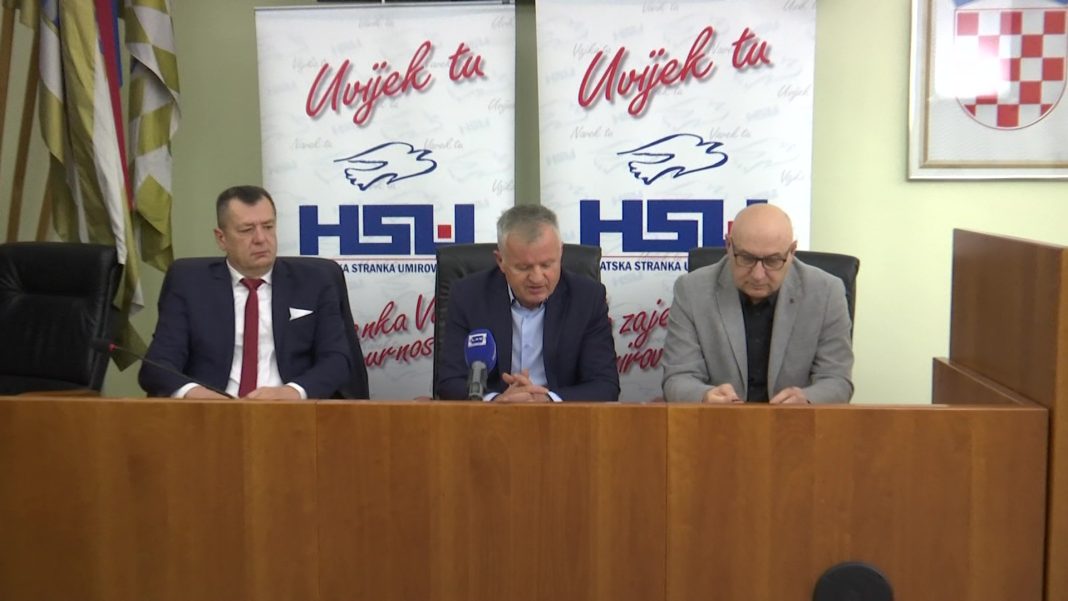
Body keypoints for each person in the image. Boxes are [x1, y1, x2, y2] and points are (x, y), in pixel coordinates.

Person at [139, 185, 354, 399]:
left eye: (268, 227)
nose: (261, 238)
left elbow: (337, 360)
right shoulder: (189, 284)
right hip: (212, 411)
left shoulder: (314, 282)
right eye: (247, 230)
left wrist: (292, 392)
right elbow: (157, 364)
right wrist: (195, 394)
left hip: (290, 410)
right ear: (221, 238)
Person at [662, 204, 853, 404]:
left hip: (794, 421)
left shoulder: (826, 292)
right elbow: (678, 378)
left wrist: (807, 399)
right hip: (717, 420)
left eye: (772, 261)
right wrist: (705, 397)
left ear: (792, 252)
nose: (758, 275)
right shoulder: (691, 290)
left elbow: (837, 380)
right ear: (729, 245)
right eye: (746, 258)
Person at [436, 205, 620, 402]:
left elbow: (605, 385)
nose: (537, 278)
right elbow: (449, 381)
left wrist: (546, 399)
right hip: (491, 416)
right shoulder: (468, 295)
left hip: (561, 416)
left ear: (560, 253)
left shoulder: (587, 297)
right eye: (524, 267)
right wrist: (498, 400)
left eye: (547, 265)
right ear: (501, 260)